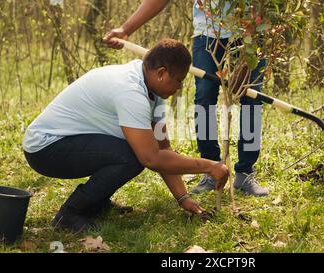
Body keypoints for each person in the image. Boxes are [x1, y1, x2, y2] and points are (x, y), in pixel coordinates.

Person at [23, 39, 229, 233]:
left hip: (69, 142)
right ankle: (70, 214)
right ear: (162, 73)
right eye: (178, 81)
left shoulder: (152, 91)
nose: (178, 88)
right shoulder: (131, 92)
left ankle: (97, 202)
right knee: (132, 156)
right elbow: (151, 158)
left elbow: (163, 149)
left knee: (134, 150)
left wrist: (183, 198)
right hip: (45, 148)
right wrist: (210, 166)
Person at [104, 0, 269, 197]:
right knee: (204, 99)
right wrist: (125, 28)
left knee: (251, 100)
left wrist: (249, 43)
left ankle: (245, 172)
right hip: (208, 32)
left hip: (252, 34)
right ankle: (210, 168)